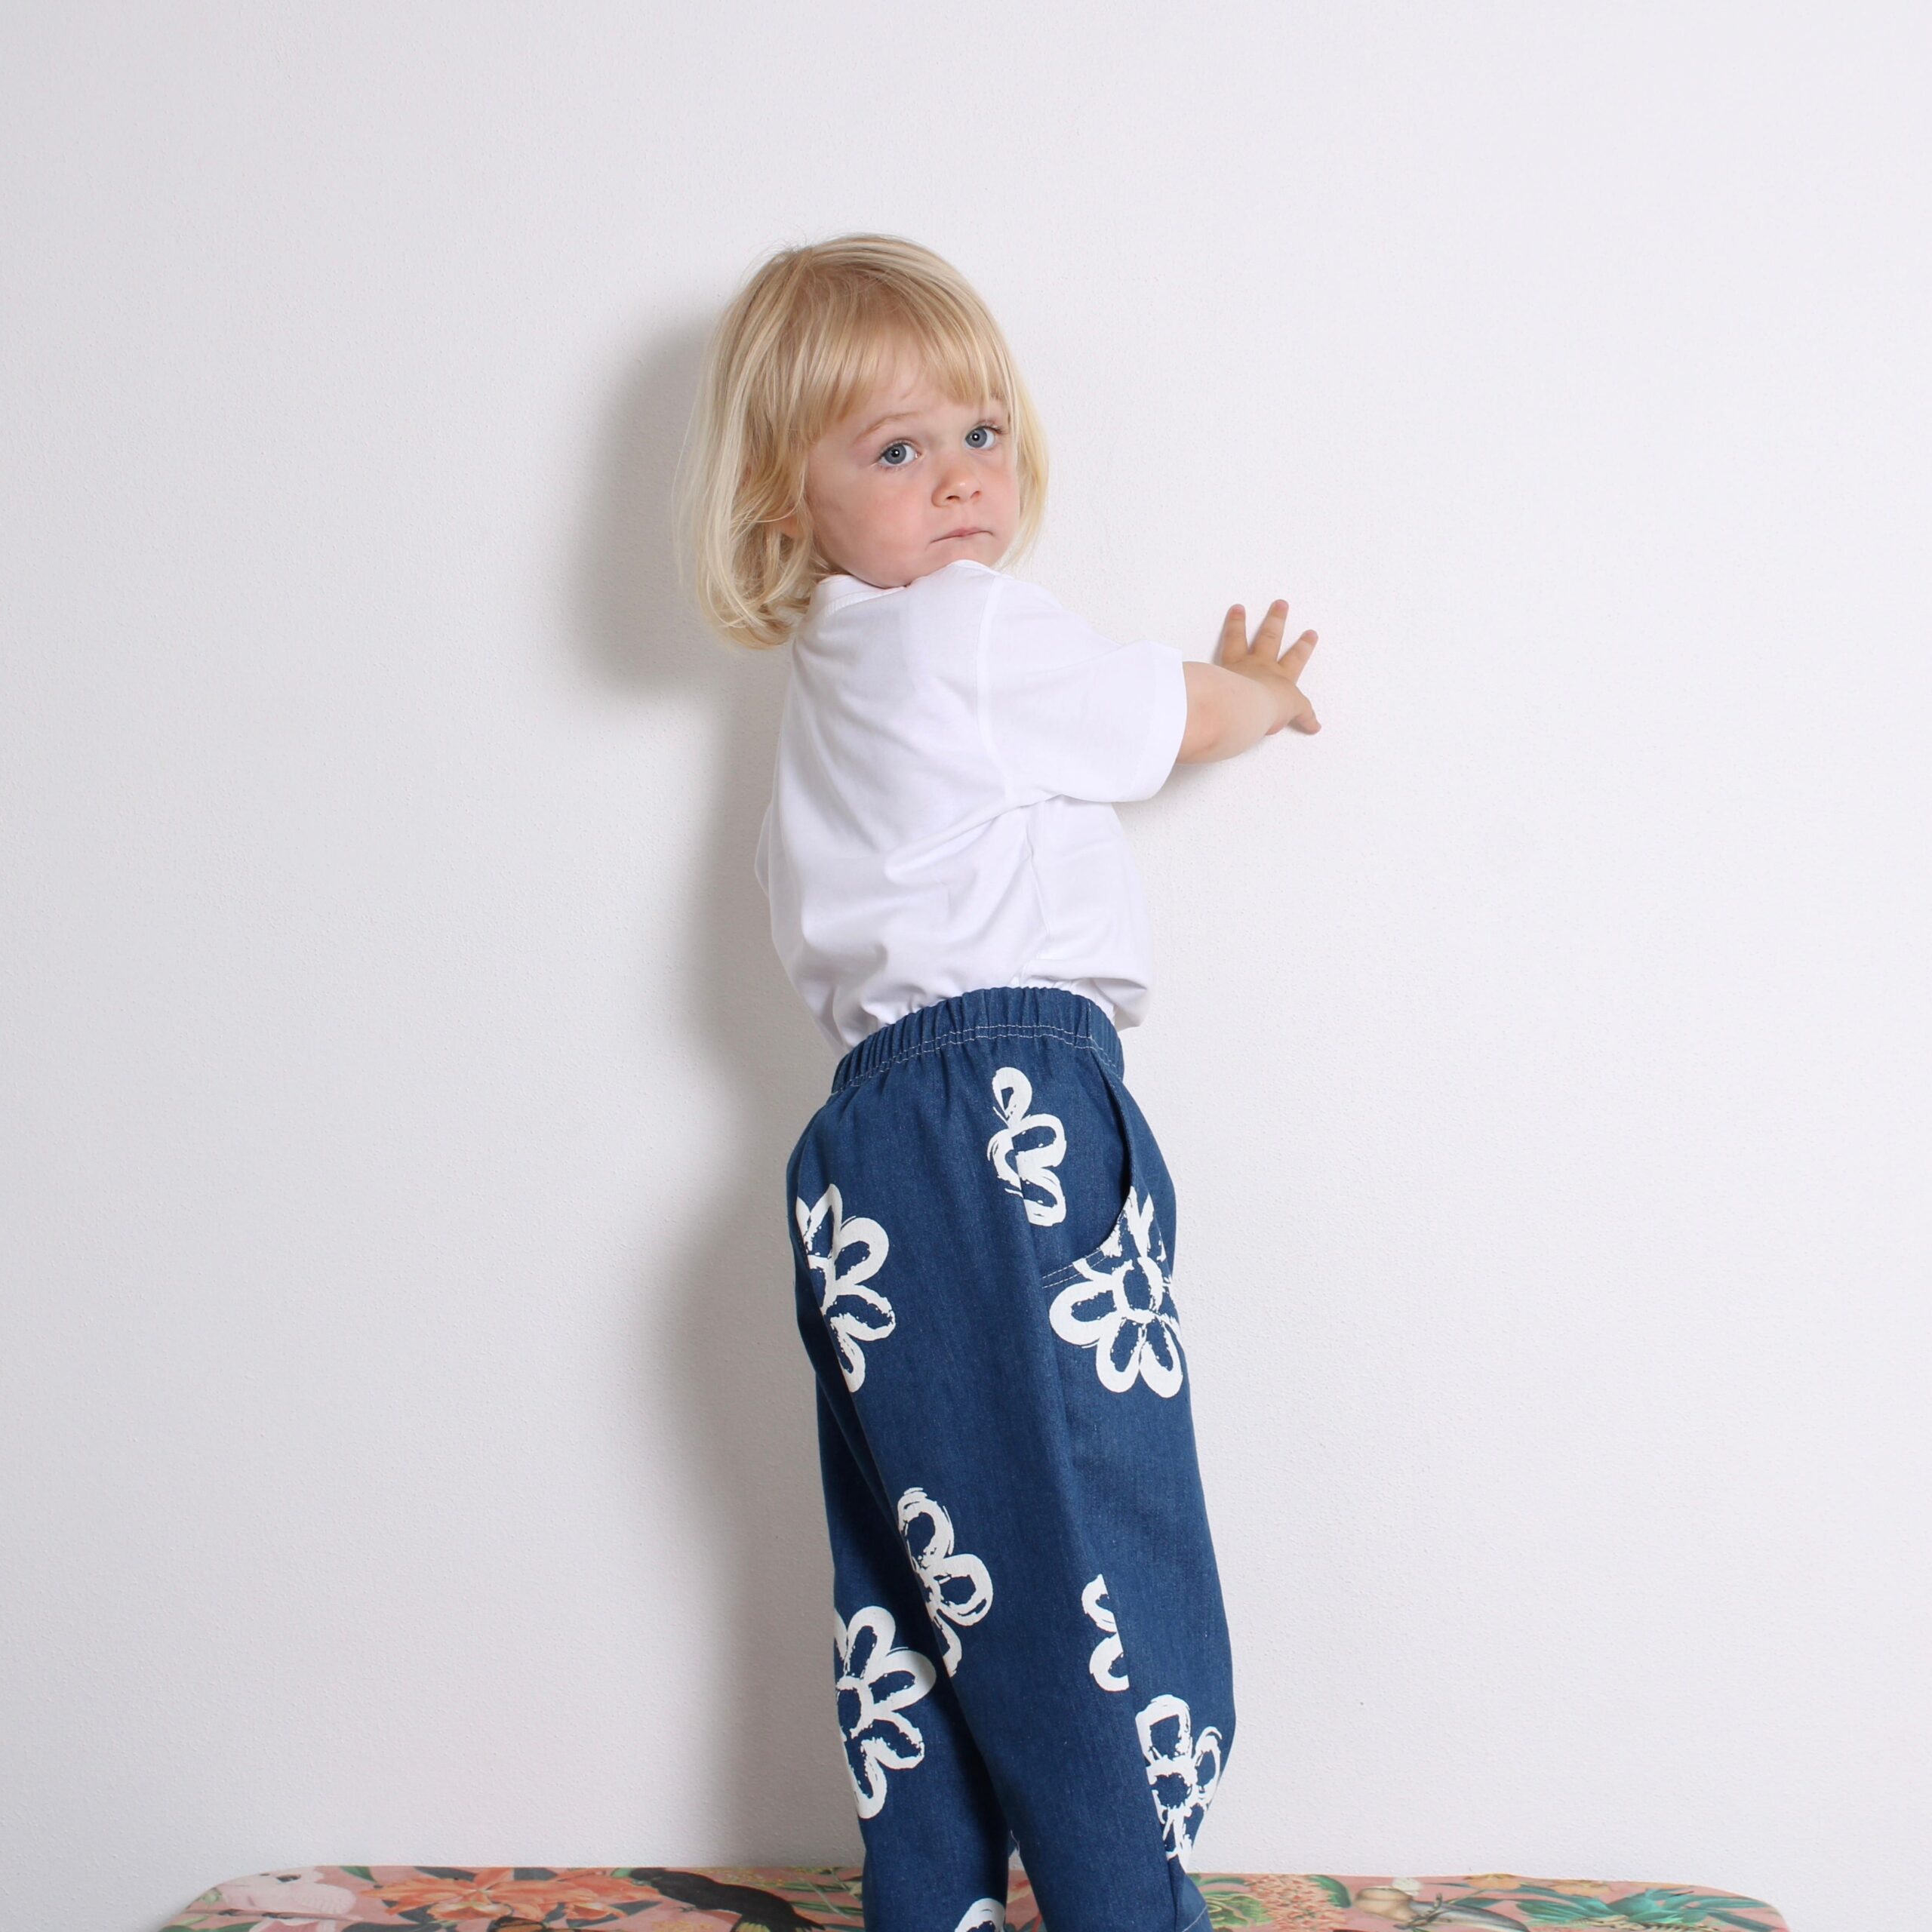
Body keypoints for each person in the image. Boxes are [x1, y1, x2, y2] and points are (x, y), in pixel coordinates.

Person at [675, 233, 1320, 1932]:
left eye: (981, 432)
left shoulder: (821, 712)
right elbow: (1168, 716)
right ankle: (1125, 1903)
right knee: (1081, 1528)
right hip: (1006, 1099)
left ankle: (935, 1899)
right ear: (787, 499)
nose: (963, 478)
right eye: (897, 449)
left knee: (918, 1566)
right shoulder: (965, 627)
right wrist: (1260, 693)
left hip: (860, 1145)